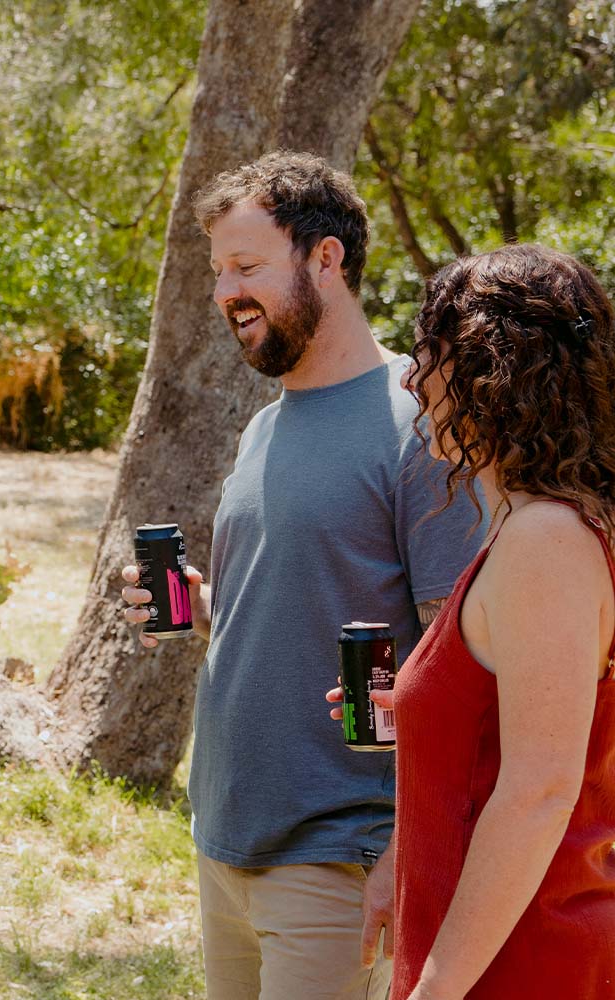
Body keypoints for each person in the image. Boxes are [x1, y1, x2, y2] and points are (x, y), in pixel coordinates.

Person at [122, 150, 482, 999]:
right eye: (219, 271)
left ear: (326, 258)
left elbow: (462, 661)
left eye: (247, 266)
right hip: (226, 837)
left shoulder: (421, 422)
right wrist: (202, 606)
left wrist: (405, 852)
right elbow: (302, 601)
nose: (225, 292)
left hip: (342, 855)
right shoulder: (264, 429)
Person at [364, 244, 615, 999]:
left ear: (489, 369)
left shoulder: (546, 540)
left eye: (427, 353)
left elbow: (539, 792)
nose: (411, 379)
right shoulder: (541, 527)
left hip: (520, 965)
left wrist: (434, 992)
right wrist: (423, 709)